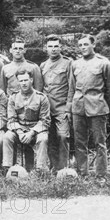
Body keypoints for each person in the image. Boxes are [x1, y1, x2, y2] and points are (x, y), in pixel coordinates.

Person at [67, 34, 110, 182]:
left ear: (93, 45)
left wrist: (105, 104)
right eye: (80, 45)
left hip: (97, 107)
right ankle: (83, 174)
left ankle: (100, 175)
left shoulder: (104, 63)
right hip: (78, 107)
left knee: (99, 143)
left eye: (86, 44)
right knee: (79, 142)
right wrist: (70, 108)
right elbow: (72, 88)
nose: (83, 48)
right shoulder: (75, 64)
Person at [2, 70, 50, 172]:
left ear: (31, 80)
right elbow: (11, 120)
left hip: (35, 129)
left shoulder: (41, 97)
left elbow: (45, 121)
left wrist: (31, 133)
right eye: (21, 81)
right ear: (18, 82)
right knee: (7, 136)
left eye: (26, 80)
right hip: (19, 129)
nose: (23, 83)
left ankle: (40, 170)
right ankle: (9, 169)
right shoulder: (13, 97)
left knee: (43, 138)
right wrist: (19, 133)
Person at [40, 34, 72, 173]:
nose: (53, 49)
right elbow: (42, 88)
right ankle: (54, 168)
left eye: (56, 46)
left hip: (62, 107)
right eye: (50, 46)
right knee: (50, 139)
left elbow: (72, 86)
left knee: (63, 136)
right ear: (45, 48)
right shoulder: (43, 65)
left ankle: (63, 169)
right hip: (47, 109)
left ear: (61, 47)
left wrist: (69, 108)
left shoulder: (68, 63)